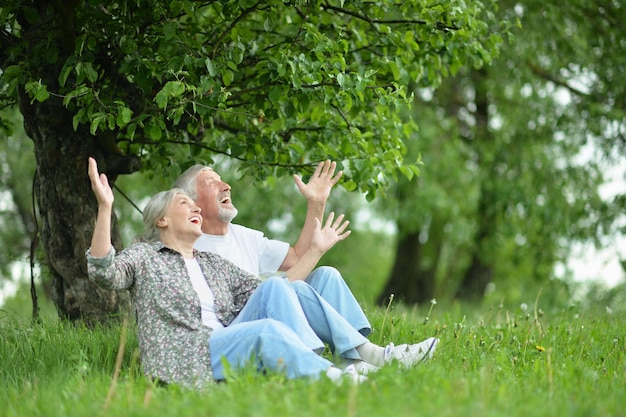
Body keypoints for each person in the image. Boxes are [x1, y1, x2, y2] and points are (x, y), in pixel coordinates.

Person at [86, 158, 432, 389]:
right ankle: (338, 371)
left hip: (226, 338)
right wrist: (105, 208)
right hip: (187, 356)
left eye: (193, 207)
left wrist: (315, 239)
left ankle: (352, 358)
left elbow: (283, 288)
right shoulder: (146, 257)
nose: (194, 209)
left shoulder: (210, 263)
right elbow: (104, 272)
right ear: (162, 219)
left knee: (279, 288)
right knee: (270, 314)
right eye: (184, 204)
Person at [172, 160, 439, 367]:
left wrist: (316, 204)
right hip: (240, 332)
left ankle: (355, 358)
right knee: (284, 287)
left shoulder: (245, 236)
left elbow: (299, 259)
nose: (226, 185)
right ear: (191, 202)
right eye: (211, 182)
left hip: (273, 308)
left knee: (326, 276)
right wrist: (317, 250)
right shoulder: (189, 245)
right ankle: (372, 357)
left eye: (222, 179)